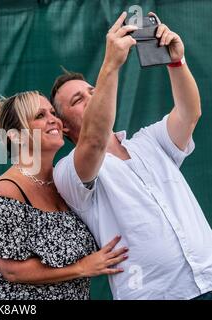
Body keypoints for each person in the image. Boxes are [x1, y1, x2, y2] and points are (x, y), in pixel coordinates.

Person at [51, 12, 212, 299]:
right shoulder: (67, 171)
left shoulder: (148, 140)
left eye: (92, 91)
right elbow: (93, 140)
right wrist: (110, 64)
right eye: (78, 99)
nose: (90, 97)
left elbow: (190, 114)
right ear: (63, 126)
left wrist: (176, 61)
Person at [0, 91, 128, 299]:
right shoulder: (6, 191)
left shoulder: (65, 182)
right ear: (15, 136)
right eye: (40, 116)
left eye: (53, 112)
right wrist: (82, 267)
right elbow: (11, 270)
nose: (53, 120)